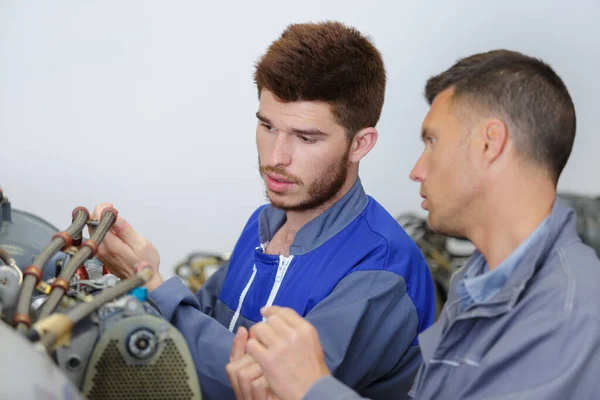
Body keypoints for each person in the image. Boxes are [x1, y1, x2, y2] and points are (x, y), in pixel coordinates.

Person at [225, 49, 600, 400]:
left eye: (432, 141)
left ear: (491, 144)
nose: (417, 171)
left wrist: (312, 389)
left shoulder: (569, 317)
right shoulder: (478, 282)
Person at [90, 21, 436, 400]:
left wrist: (153, 283)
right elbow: (199, 324)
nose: (276, 158)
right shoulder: (265, 224)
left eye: (306, 138)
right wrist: (140, 278)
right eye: (268, 126)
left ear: (360, 144)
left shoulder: (382, 271)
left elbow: (270, 387)